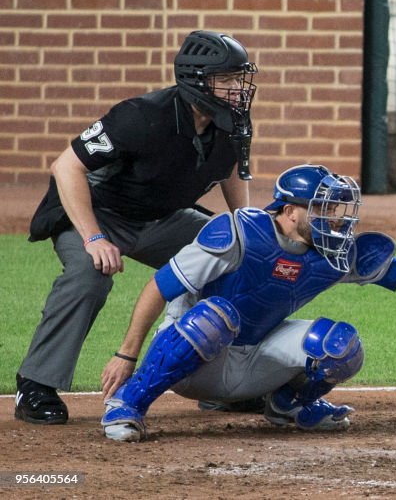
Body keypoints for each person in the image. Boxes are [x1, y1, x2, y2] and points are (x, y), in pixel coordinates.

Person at [98, 165, 396, 442]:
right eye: (323, 210)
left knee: (340, 344)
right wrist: (126, 354)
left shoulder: (331, 252)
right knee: (216, 315)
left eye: (337, 210)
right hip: (194, 360)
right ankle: (129, 403)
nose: (337, 220)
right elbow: (159, 285)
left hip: (257, 359)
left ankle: (290, 404)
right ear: (289, 212)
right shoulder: (239, 234)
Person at [15, 30, 258, 426]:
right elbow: (67, 167)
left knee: (235, 258)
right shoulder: (141, 116)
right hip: (98, 213)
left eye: (238, 78)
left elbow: (230, 169)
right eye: (227, 79)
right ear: (197, 79)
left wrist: (244, 226)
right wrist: (93, 238)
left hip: (162, 218)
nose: (238, 89)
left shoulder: (231, 121)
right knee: (88, 274)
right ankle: (36, 385)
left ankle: (217, 387)